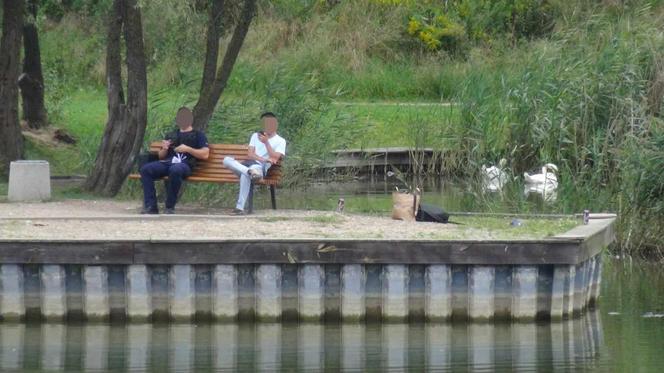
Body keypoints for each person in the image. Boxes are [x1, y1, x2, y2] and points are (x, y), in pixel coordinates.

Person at [139, 107, 209, 214]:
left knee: (175, 170)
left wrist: (188, 149)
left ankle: (169, 207)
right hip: (167, 163)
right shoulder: (171, 135)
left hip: (184, 165)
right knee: (146, 169)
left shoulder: (198, 135)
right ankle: (151, 206)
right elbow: (161, 156)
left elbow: (205, 154)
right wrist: (164, 148)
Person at [223, 112, 286, 215]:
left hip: (259, 168)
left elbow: (274, 157)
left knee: (245, 175)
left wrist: (266, 143)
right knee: (226, 160)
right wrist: (263, 159)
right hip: (248, 166)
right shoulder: (255, 136)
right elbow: (250, 155)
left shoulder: (280, 141)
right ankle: (249, 171)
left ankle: (239, 208)